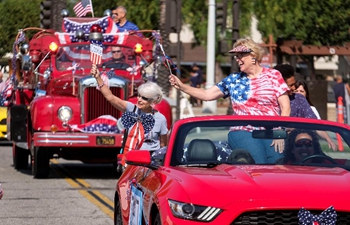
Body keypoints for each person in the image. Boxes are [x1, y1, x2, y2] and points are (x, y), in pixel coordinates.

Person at [169, 38, 291, 164]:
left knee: (278, 164)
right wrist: (182, 86)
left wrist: (280, 132)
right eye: (236, 56)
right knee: (258, 163)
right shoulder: (233, 79)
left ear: (253, 55)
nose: (237, 59)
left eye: (241, 55)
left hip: (272, 130)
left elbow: (285, 107)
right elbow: (207, 95)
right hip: (243, 130)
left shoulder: (274, 75)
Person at [91, 64, 168, 151]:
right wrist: (98, 78)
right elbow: (110, 97)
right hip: (131, 156)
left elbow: (163, 145)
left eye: (144, 98)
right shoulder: (131, 109)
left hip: (151, 159)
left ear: (153, 101)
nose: (139, 99)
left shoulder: (161, 119)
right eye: (139, 95)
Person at [274, 64, 337, 151]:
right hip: (275, 144)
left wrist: (328, 139)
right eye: (290, 85)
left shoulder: (299, 98)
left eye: (294, 84)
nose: (294, 88)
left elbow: (314, 123)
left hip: (299, 146)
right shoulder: (270, 101)